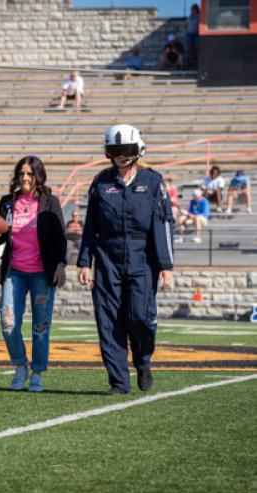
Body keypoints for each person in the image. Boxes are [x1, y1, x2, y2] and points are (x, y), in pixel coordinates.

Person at [77, 124, 174, 395]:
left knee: (140, 318)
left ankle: (143, 361)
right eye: (116, 150)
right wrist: (85, 261)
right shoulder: (100, 182)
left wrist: (166, 265)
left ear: (138, 149)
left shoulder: (153, 181)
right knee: (109, 322)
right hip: (107, 258)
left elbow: (163, 222)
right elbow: (90, 225)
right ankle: (119, 382)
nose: (121, 155)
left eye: (127, 150)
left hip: (143, 259)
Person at [0, 156, 67, 392]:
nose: (25, 178)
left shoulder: (49, 202)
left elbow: (60, 236)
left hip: (43, 273)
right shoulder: (7, 202)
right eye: (21, 173)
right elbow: (0, 238)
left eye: (30, 174)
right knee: (8, 322)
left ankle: (37, 373)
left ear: (38, 176)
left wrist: (61, 264)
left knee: (41, 325)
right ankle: (20, 365)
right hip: (15, 272)